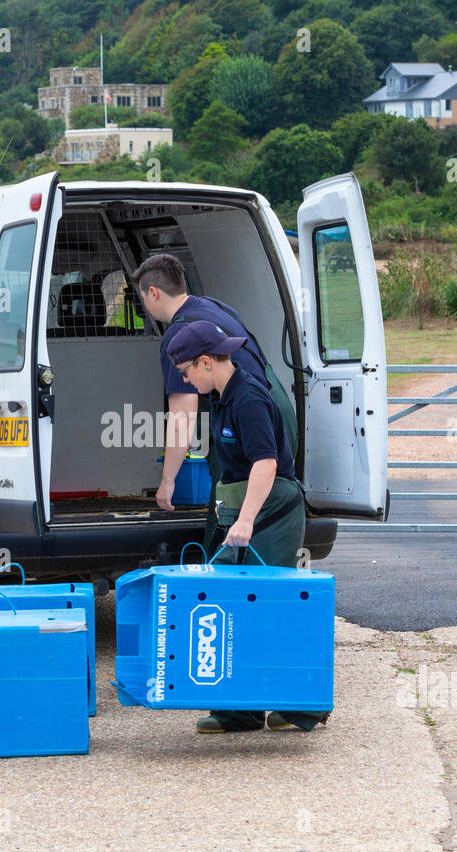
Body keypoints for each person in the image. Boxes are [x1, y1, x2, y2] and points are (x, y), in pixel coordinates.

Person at [164, 319, 329, 735]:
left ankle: (303, 707)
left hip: (270, 511)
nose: (183, 379)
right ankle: (241, 710)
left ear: (206, 361)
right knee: (236, 606)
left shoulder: (249, 397)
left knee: (273, 606)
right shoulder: (221, 396)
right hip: (243, 510)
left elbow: (266, 463)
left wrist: (246, 520)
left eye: (185, 371)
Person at [132, 254, 295, 517]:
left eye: (142, 299)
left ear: (153, 293)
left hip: (251, 426)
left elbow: (182, 417)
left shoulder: (179, 335)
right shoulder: (214, 306)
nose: (145, 306)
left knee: (232, 513)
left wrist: (167, 481)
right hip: (280, 413)